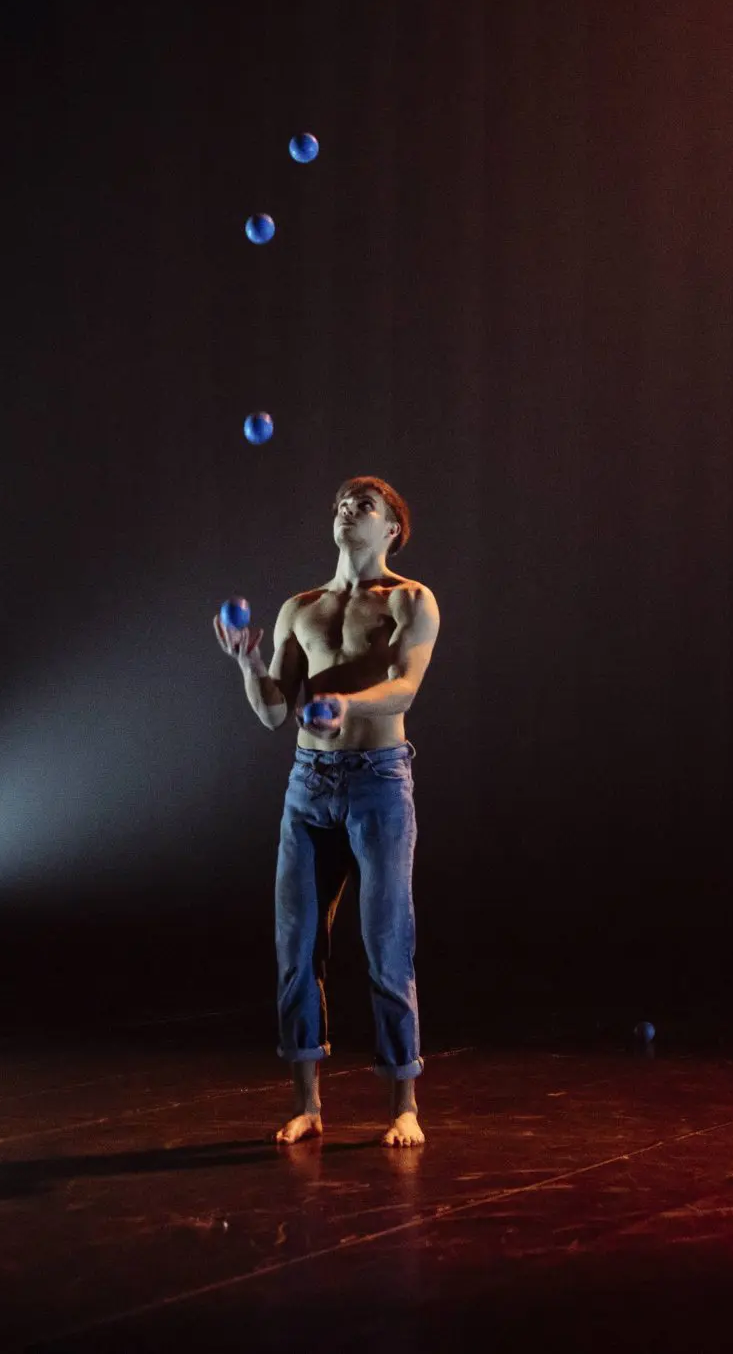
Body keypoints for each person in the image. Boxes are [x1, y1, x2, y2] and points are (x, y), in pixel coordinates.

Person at [212, 476, 441, 1147]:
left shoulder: (409, 599)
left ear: (392, 527)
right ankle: (307, 1103)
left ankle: (404, 1103)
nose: (348, 512)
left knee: (385, 942)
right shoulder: (298, 608)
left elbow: (403, 688)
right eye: (342, 503)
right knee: (296, 946)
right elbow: (274, 711)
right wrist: (247, 662)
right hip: (309, 784)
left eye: (363, 506)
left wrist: (348, 705)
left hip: (377, 781)